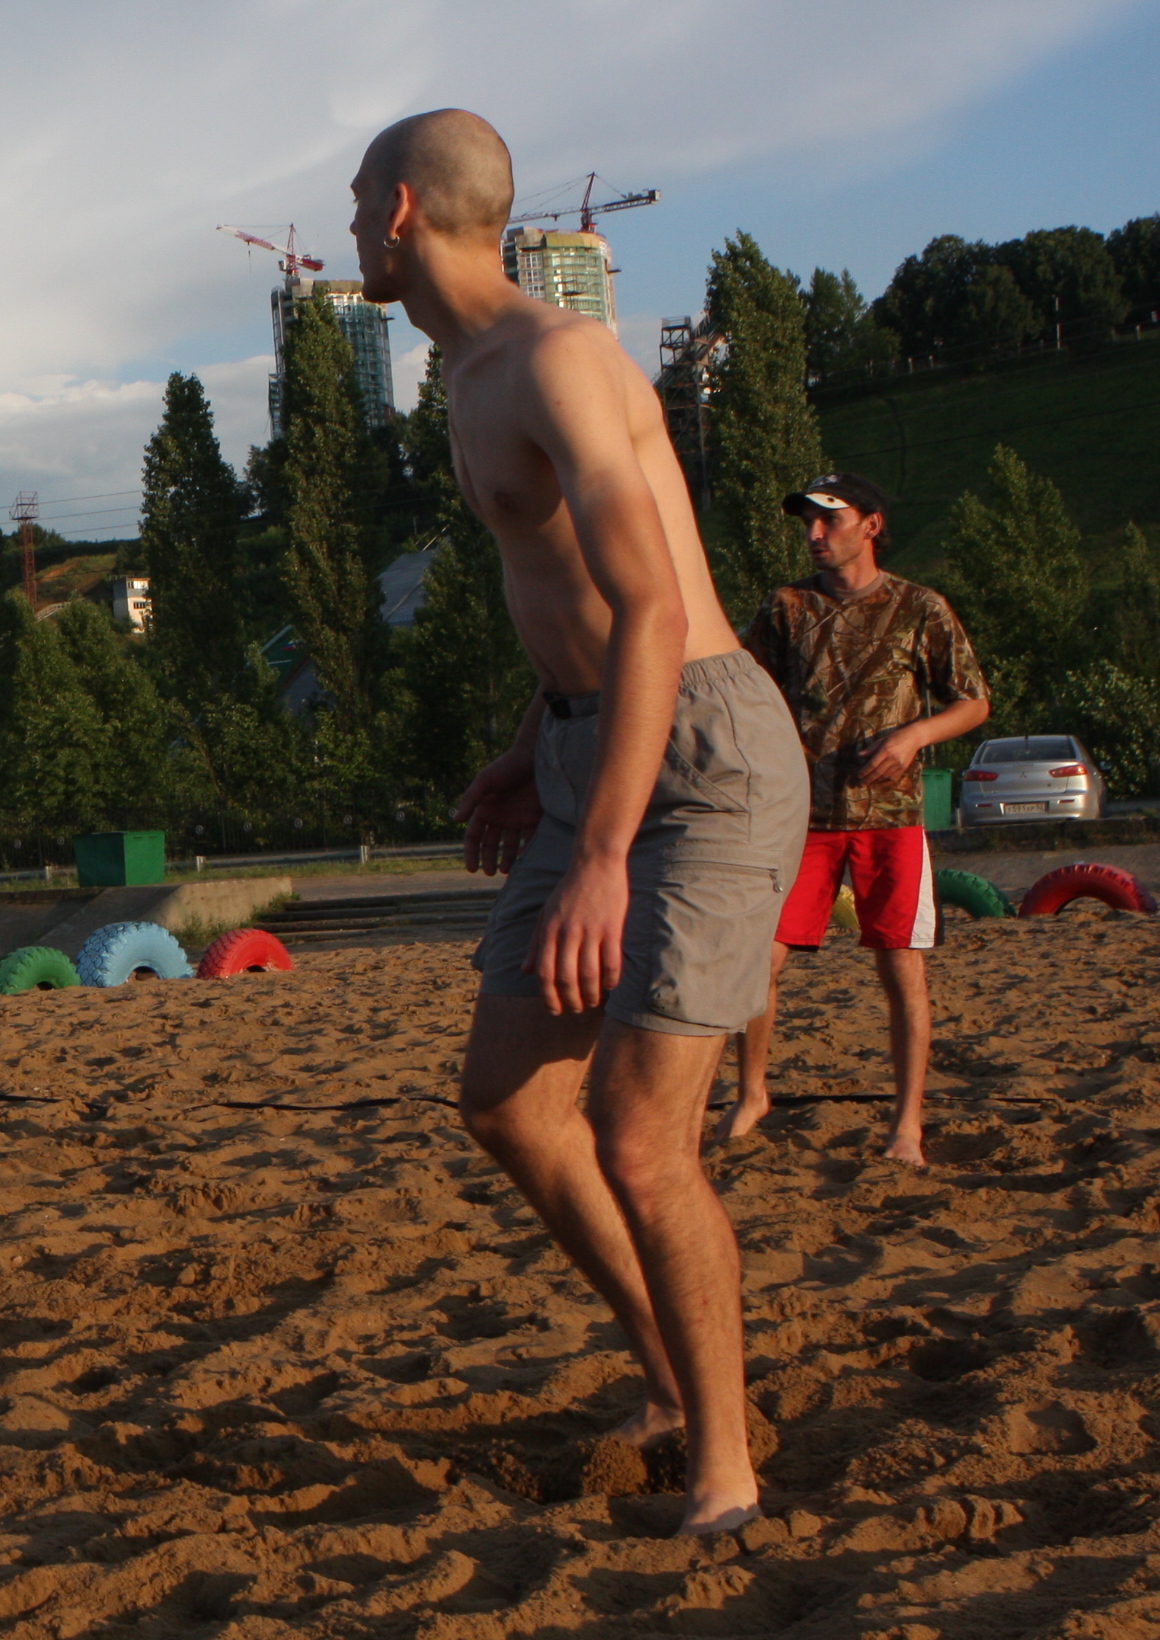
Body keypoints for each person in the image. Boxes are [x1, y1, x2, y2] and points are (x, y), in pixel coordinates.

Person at [351, 111, 810, 1537]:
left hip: (698, 758)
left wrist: (603, 850)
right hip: (582, 742)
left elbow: (654, 604)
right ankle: (671, 1378)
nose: (353, 225)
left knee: (636, 1134)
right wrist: (526, 744)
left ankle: (723, 1468)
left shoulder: (556, 359)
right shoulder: (466, 376)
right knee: (506, 1100)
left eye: (359, 201)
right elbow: (562, 595)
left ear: (402, 208)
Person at [719, 471, 988, 1162]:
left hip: (891, 818)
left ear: (870, 525)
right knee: (758, 962)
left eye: (828, 520)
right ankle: (751, 1095)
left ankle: (907, 1125)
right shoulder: (786, 607)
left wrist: (914, 736)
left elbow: (973, 701)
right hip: (800, 817)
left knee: (900, 968)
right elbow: (742, 688)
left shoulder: (920, 607)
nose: (814, 534)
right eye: (806, 522)